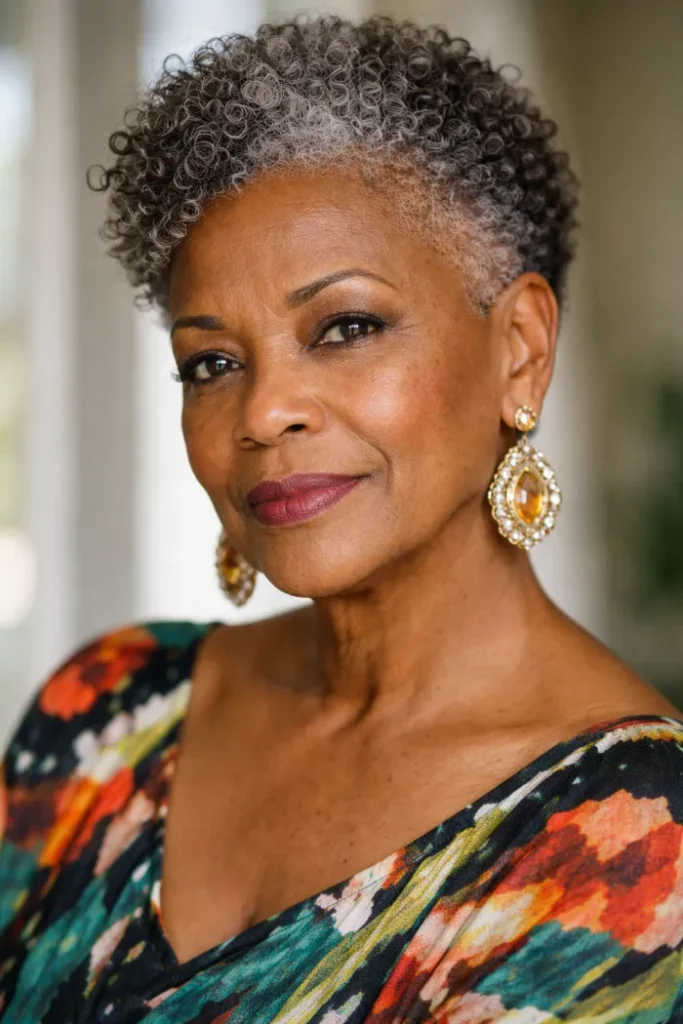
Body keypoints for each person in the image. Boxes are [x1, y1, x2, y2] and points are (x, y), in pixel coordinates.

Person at [1, 14, 682, 1023]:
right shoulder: (105, 714)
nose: (263, 411)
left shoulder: (628, 841)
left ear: (519, 351)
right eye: (211, 362)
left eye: (345, 326)